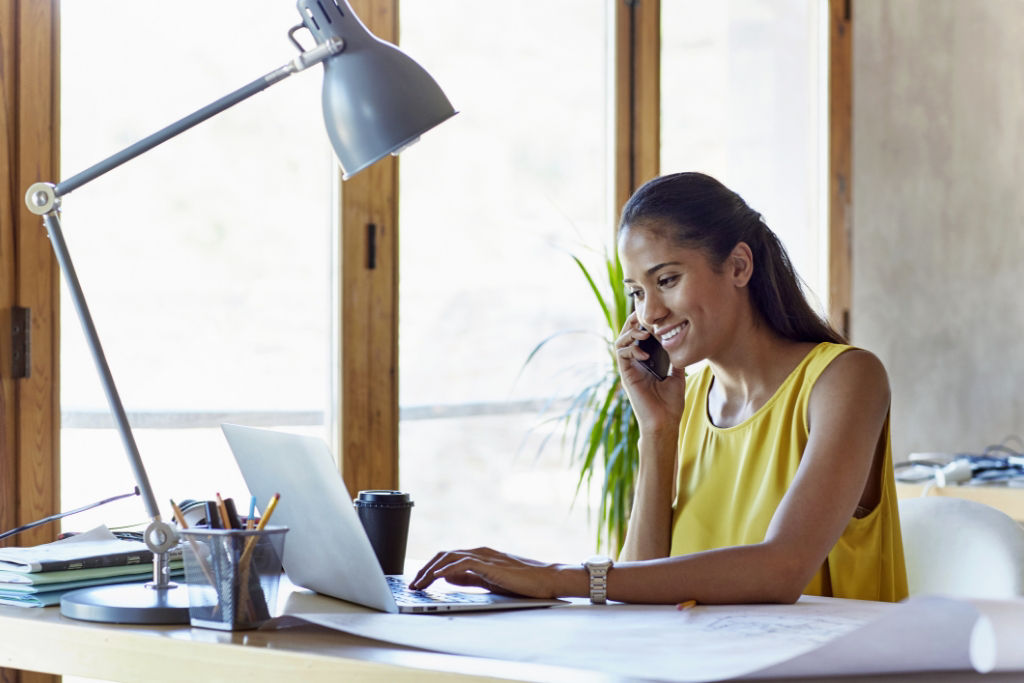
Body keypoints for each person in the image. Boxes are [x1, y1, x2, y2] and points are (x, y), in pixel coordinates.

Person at [411, 172, 908, 605]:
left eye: (666, 279)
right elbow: (638, 584)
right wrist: (658, 430)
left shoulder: (845, 379)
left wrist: (555, 578)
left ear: (738, 266)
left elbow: (782, 569)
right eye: (637, 292)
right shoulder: (688, 402)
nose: (648, 313)